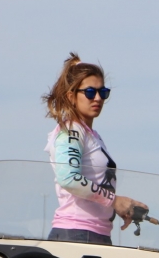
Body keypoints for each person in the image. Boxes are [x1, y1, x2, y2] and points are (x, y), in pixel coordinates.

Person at [42, 53, 146, 244]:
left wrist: (121, 207)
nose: (98, 98)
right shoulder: (72, 131)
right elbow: (68, 178)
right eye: (90, 92)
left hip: (96, 233)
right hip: (76, 233)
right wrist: (115, 201)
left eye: (103, 92)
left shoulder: (91, 135)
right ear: (72, 96)